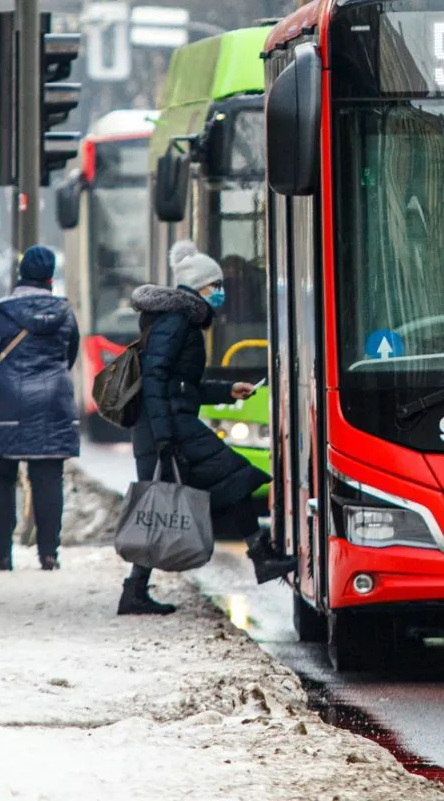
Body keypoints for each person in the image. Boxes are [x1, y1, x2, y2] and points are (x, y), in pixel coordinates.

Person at [120, 239, 271, 616]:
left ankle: (134, 591)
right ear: (198, 287)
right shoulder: (176, 322)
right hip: (166, 428)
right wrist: (166, 436)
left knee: (161, 507)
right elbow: (155, 380)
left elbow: (180, 385)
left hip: (167, 425)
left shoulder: (182, 320)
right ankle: (262, 557)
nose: (220, 293)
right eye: (215, 286)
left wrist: (227, 391)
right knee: (234, 474)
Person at [0, 245, 80, 571]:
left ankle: (1, 553)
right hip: (52, 402)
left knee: (1, 476)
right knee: (48, 477)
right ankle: (49, 553)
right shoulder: (64, 312)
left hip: (5, 402)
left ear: (21, 272)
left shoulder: (3, 313)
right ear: (50, 277)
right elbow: (69, 357)